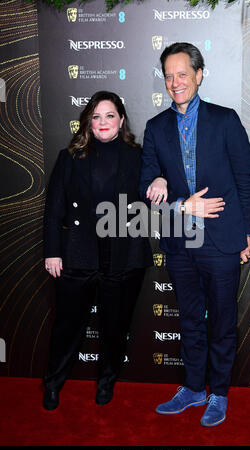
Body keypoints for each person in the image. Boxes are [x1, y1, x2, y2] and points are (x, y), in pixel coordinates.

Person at [139, 43, 250, 426]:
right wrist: (166, 189)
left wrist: (247, 234)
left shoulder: (225, 120)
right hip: (179, 240)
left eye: (182, 74)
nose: (175, 82)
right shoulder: (156, 128)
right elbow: (147, 184)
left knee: (221, 320)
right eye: (169, 75)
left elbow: (245, 182)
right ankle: (193, 388)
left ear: (199, 75)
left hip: (222, 241)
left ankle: (219, 393)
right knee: (189, 319)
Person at [43, 91, 152, 410]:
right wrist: (53, 251)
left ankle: (107, 381)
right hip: (77, 254)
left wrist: (158, 179)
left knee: (115, 329)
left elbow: (152, 196)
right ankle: (52, 384)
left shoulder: (138, 156)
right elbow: (54, 209)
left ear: (121, 121)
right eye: (97, 116)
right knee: (66, 327)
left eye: (110, 115)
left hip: (124, 256)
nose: (103, 122)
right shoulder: (69, 157)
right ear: (88, 123)